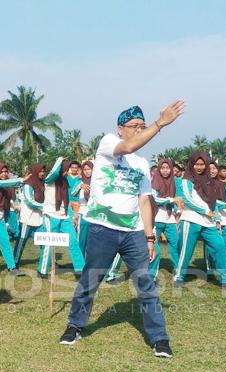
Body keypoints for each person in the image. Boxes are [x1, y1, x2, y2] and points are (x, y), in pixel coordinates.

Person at [60, 102, 185, 358]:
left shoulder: (141, 165)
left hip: (133, 233)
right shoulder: (107, 144)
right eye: (134, 127)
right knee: (90, 280)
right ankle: (75, 325)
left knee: (146, 284)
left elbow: (144, 201)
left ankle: (159, 338)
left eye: (142, 126)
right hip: (102, 228)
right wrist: (159, 123)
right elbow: (128, 146)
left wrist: (149, 236)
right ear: (120, 129)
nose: (139, 131)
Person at [173, 152, 226, 290]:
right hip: (191, 220)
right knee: (186, 251)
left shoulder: (209, 181)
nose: (199, 167)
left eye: (202, 164)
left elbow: (213, 201)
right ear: (191, 165)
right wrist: (205, 211)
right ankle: (179, 277)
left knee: (220, 246)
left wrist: (217, 219)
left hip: (209, 222)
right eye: (196, 164)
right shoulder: (187, 180)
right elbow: (187, 199)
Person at [37, 157, 86, 278]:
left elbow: (66, 201)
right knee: (49, 243)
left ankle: (80, 269)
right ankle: (42, 271)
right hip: (50, 216)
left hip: (64, 217)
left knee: (73, 241)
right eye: (65, 169)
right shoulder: (49, 179)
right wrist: (59, 160)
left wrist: (71, 216)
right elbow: (54, 172)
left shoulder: (65, 182)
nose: (67, 171)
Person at [150, 158, 180, 277]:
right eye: (163, 168)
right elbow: (154, 199)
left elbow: (177, 199)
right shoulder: (153, 182)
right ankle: (151, 275)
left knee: (175, 243)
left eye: (168, 168)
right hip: (156, 218)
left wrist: (177, 210)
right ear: (158, 169)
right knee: (154, 246)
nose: (165, 171)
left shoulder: (174, 183)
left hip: (169, 218)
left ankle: (177, 269)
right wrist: (170, 200)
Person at [14, 163, 46, 267]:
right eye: (40, 171)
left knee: (44, 242)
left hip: (39, 219)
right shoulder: (28, 185)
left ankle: (44, 263)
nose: (42, 173)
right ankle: (15, 263)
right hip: (27, 219)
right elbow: (29, 201)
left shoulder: (42, 184)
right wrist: (44, 207)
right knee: (21, 242)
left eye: (43, 171)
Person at [76, 161, 93, 253]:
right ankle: (80, 264)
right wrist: (80, 186)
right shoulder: (80, 181)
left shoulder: (96, 181)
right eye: (85, 169)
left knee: (93, 241)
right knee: (81, 240)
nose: (87, 172)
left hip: (94, 214)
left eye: (89, 169)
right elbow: (72, 193)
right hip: (83, 213)